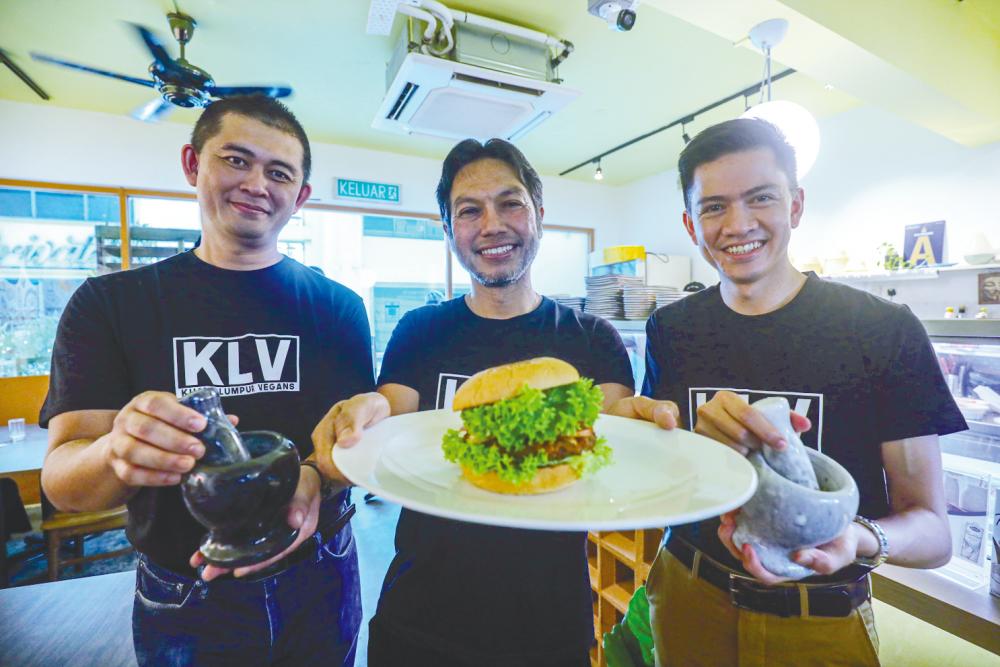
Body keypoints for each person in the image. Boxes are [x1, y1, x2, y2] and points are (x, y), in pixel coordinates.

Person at [39, 95, 374, 666]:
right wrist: (118, 453)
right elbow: (63, 483)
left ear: (301, 196)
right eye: (236, 160)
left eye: (279, 172)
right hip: (186, 593)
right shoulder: (110, 303)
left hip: (323, 574)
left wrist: (317, 478)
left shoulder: (337, 307)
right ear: (194, 165)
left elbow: (349, 448)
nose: (256, 184)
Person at [626, 118, 966, 666]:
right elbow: (667, 476)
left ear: (796, 206)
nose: (738, 225)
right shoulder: (671, 329)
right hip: (687, 597)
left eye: (760, 198)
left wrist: (856, 538)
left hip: (819, 617)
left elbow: (932, 532)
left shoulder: (881, 329)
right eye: (714, 207)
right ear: (691, 224)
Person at [312, 138, 640, 666]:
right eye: (470, 210)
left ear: (538, 214)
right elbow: (390, 412)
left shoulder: (592, 338)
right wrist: (365, 417)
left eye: (510, 203)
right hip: (419, 618)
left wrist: (639, 427)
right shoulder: (421, 329)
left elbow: (609, 442)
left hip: (549, 624)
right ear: (448, 230)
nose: (492, 224)